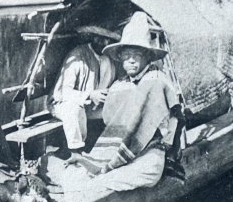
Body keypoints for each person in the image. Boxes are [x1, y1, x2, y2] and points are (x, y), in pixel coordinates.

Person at [77, 11, 181, 191]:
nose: (131, 60)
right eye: (126, 56)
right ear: (120, 58)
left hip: (149, 155)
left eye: (137, 55)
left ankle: (103, 176)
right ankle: (106, 169)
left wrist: (170, 151)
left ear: (147, 56)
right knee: (80, 173)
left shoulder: (157, 81)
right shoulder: (119, 86)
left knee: (98, 183)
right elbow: (110, 122)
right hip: (122, 153)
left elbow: (175, 118)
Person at [49, 25, 120, 157]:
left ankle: (114, 150)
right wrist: (90, 95)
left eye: (108, 40)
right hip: (63, 103)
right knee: (73, 108)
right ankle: (75, 153)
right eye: (100, 39)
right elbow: (63, 92)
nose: (104, 43)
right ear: (92, 37)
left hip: (90, 106)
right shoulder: (78, 56)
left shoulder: (108, 59)